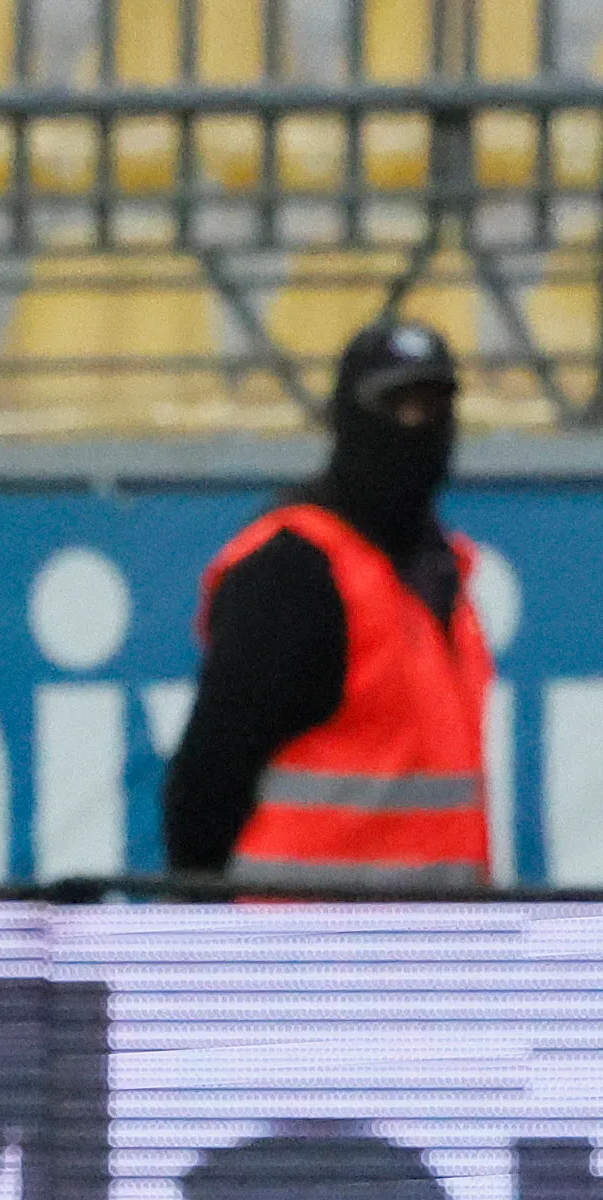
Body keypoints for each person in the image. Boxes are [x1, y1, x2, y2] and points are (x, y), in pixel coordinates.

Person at [165, 316, 494, 888]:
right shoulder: (293, 570)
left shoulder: (443, 572)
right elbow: (207, 788)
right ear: (349, 419)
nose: (422, 427)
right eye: (401, 407)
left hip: (438, 957)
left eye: (437, 406)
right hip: (305, 956)